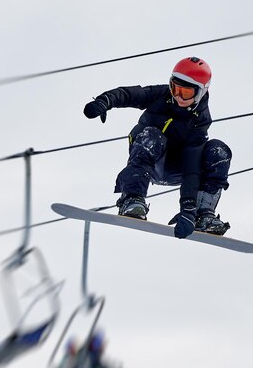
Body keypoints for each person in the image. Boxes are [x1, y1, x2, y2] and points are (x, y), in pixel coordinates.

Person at [83, 57, 232, 239]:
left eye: (185, 93)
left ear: (201, 92)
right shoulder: (162, 95)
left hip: (178, 167)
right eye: (175, 88)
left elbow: (192, 168)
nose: (177, 96)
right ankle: (132, 197)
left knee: (218, 151)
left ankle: (204, 214)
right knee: (153, 135)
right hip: (149, 157)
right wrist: (104, 101)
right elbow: (129, 94)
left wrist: (188, 210)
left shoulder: (199, 120)